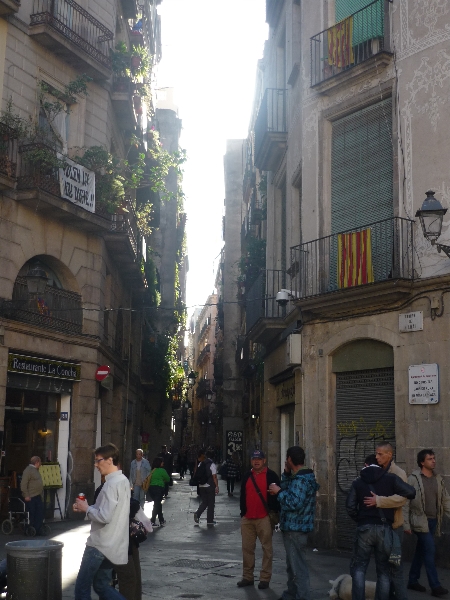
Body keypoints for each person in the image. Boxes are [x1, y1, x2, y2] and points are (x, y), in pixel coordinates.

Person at [346, 454, 415, 600]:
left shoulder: (358, 482)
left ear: (366, 465)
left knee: (359, 568)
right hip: (385, 529)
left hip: (364, 528)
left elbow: (350, 506)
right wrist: (390, 499)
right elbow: (411, 492)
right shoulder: (391, 479)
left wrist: (361, 519)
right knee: (383, 571)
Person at [73, 442, 130, 600]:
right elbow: (110, 511)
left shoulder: (111, 484)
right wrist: (86, 508)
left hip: (100, 544)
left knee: (82, 587)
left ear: (110, 460)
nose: (96, 465)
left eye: (98, 460)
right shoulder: (123, 480)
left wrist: (86, 508)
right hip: (113, 544)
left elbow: (105, 516)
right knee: (101, 585)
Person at [268, 446, 319, 600]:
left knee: (298, 567)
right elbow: (289, 490)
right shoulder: (298, 477)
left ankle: (301, 596)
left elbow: (294, 502)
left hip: (296, 528)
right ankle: (291, 594)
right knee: (292, 566)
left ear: (290, 459)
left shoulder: (301, 480)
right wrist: (286, 474)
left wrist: (278, 492)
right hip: (293, 527)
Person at [363, 444, 409, 600]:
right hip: (380, 529)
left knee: (396, 569)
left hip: (394, 529)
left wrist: (379, 501)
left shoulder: (398, 473)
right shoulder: (377, 472)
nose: (377, 457)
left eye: (380, 454)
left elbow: (402, 498)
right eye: (376, 454)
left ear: (389, 454)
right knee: (382, 570)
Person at [404, 449, 450, 597]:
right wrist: (406, 524)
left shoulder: (438, 479)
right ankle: (435, 586)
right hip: (419, 521)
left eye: (434, 458)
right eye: (430, 459)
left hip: (434, 521)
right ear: (422, 462)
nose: (434, 461)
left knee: (421, 551)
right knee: (430, 550)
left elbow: (445, 500)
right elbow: (405, 503)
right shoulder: (413, 479)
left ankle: (412, 580)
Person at [237, 449, 280, 590]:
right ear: (251, 461)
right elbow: (243, 495)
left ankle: (265, 578)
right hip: (247, 518)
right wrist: (243, 513)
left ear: (264, 461)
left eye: (259, 459)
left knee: (267, 549)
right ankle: (247, 577)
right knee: (247, 549)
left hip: (264, 518)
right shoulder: (247, 476)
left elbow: (278, 495)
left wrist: (273, 512)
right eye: (254, 459)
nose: (256, 461)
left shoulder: (271, 476)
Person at [193, 449, 218, 525]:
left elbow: (196, 473)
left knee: (204, 502)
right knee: (211, 503)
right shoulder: (212, 464)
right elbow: (214, 477)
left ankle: (197, 514)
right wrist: (216, 486)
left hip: (201, 486)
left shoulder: (201, 464)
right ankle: (210, 520)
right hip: (209, 486)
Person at [20, 455, 44, 535]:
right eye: (40, 462)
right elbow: (23, 484)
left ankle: (37, 529)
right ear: (37, 462)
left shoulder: (35, 470)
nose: (40, 464)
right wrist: (26, 495)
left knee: (39, 513)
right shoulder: (28, 470)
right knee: (32, 514)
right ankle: (30, 529)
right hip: (31, 496)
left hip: (37, 495)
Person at [148, 456, 170, 527]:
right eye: (162, 462)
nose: (163, 463)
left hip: (151, 489)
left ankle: (161, 520)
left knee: (158, 504)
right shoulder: (162, 471)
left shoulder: (152, 470)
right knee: (156, 505)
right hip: (159, 489)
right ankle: (152, 520)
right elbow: (168, 479)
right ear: (159, 463)